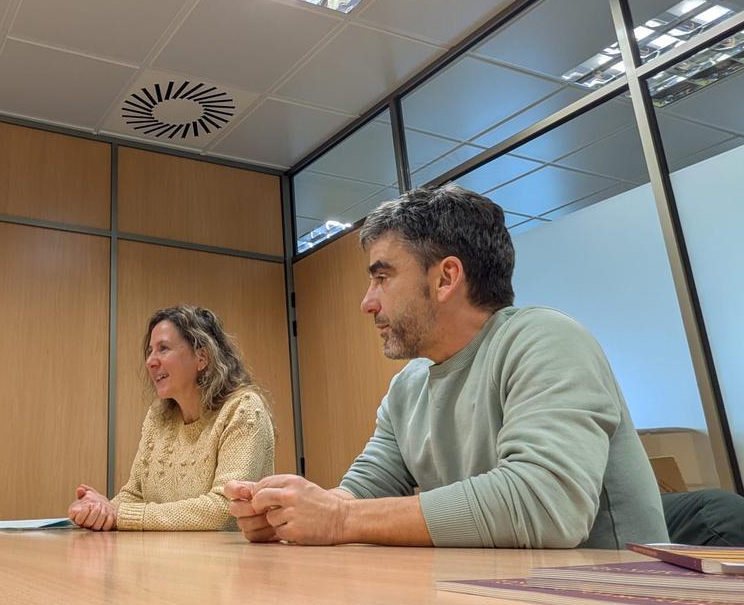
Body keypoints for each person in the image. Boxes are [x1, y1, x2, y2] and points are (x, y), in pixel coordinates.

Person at [227, 185, 669, 549]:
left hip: (615, 596)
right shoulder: (408, 387)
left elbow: (547, 507)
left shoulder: (546, 339)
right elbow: (362, 492)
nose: (368, 302)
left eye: (382, 277)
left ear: (445, 278)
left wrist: (339, 516)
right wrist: (289, 513)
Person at [68, 305, 274, 531]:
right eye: (150, 351)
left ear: (202, 357)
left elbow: (226, 509)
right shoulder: (158, 417)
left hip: (230, 562)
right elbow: (134, 494)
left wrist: (119, 514)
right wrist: (98, 511)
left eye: (163, 348)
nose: (150, 361)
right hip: (165, 558)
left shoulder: (243, 409)